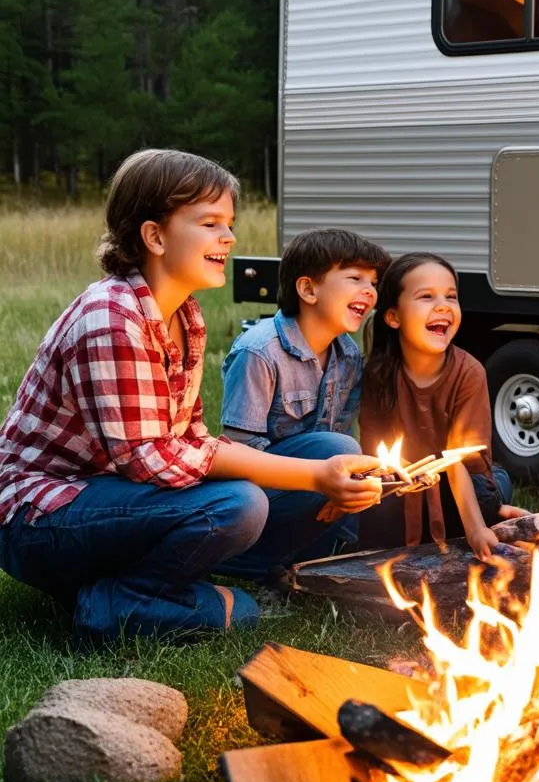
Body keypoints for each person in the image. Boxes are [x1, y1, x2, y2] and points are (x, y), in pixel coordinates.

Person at [0, 149, 382, 644]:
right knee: (237, 505)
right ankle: (116, 603)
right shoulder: (112, 320)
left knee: (333, 449)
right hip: (42, 516)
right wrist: (309, 477)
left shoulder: (184, 316)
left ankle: (185, 584)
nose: (229, 237)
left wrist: (319, 470)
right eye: (210, 223)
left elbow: (191, 437)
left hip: (116, 500)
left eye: (229, 223)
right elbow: (151, 461)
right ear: (155, 236)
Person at [220, 228, 390, 574]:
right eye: (356, 278)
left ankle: (309, 552)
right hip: (256, 495)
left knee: (372, 492)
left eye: (373, 282)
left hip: (313, 488)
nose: (369, 291)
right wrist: (324, 478)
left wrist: (344, 490)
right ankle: (244, 560)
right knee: (338, 447)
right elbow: (236, 453)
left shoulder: (348, 356)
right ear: (309, 289)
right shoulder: (260, 351)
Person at [359, 252, 515, 560]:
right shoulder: (378, 375)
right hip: (406, 483)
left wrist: (475, 530)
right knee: (378, 509)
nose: (443, 305)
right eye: (426, 297)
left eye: (451, 296)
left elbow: (458, 459)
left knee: (488, 492)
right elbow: (374, 455)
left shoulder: (469, 373)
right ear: (393, 316)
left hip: (462, 482)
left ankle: (492, 511)